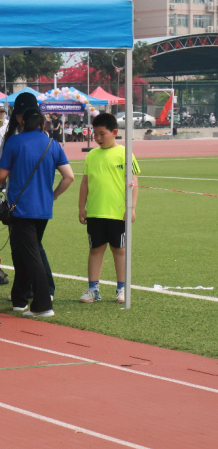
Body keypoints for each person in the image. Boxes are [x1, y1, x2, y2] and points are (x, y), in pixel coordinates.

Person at [0, 109, 74, 318]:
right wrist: (53, 195)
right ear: (43, 125)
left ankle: (42, 304)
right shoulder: (53, 145)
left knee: (29, 254)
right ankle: (19, 299)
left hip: (20, 208)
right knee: (25, 251)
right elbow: (69, 177)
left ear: (22, 123)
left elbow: (1, 176)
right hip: (43, 208)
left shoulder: (14, 142)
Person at [78, 112, 140, 305]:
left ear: (114, 132)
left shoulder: (125, 153)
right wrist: (81, 207)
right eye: (95, 134)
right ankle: (93, 289)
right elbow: (85, 183)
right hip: (95, 212)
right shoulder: (92, 155)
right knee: (95, 249)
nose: (98, 138)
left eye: (102, 134)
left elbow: (134, 182)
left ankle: (122, 288)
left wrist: (131, 207)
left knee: (119, 250)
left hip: (117, 213)